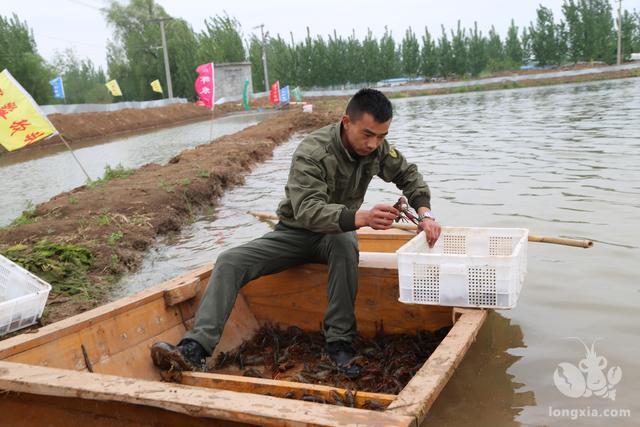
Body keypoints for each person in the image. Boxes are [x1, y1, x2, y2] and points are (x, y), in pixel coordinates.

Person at [151, 88, 441, 378]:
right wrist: (362, 217)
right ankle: (195, 348)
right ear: (346, 121)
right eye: (367, 134)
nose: (373, 143)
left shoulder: (378, 148)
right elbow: (308, 210)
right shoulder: (313, 152)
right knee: (229, 260)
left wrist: (425, 214)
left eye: (381, 136)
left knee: (344, 245)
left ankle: (339, 343)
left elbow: (408, 175)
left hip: (336, 234)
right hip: (295, 232)